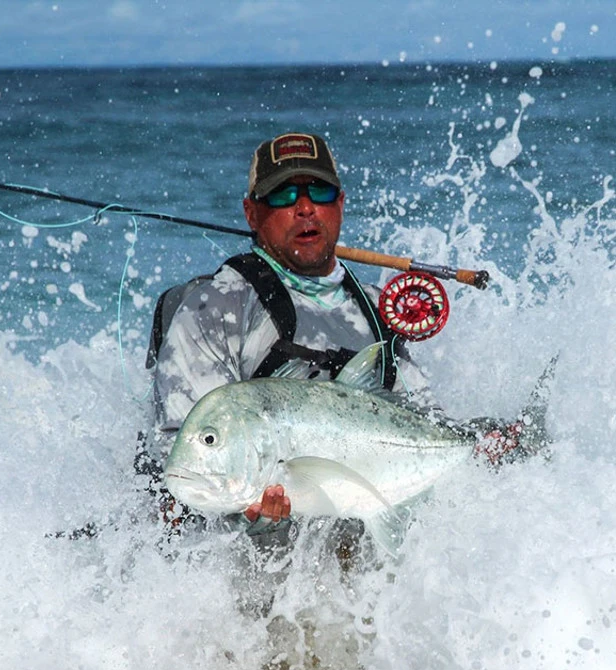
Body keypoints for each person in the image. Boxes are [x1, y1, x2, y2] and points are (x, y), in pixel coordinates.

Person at [140, 131, 440, 533]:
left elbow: (424, 425)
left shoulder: (374, 308)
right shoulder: (214, 307)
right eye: (282, 195)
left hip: (357, 554)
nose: (305, 208)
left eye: (320, 192)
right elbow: (180, 466)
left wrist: (479, 447)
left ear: (340, 204)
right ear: (251, 213)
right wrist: (254, 521)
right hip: (240, 558)